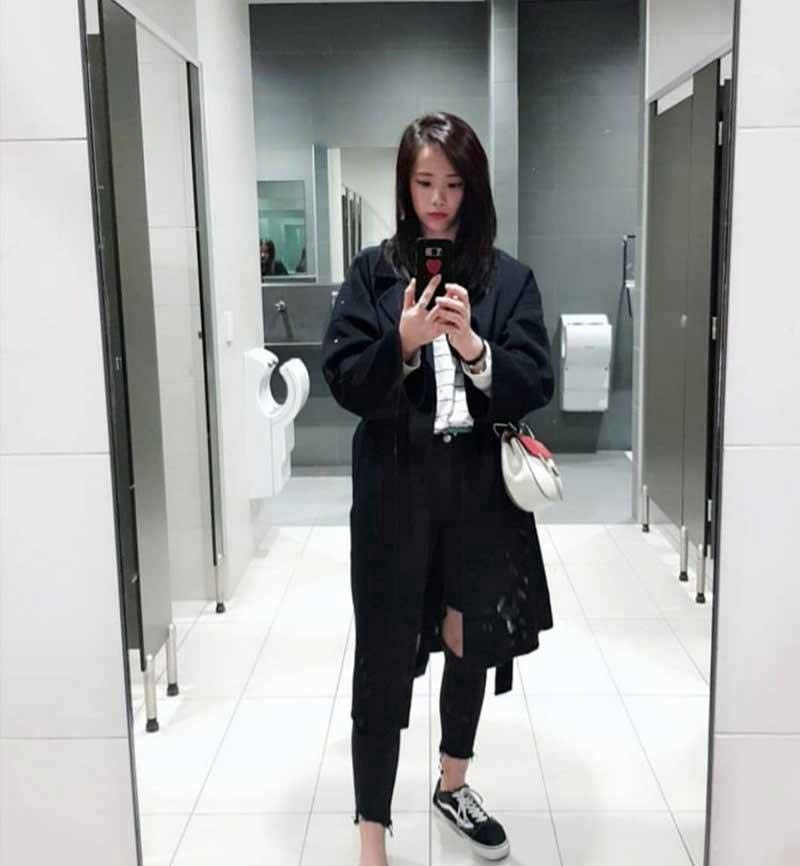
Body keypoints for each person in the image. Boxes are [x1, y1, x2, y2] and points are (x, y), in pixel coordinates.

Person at [321, 112, 555, 866]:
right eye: (424, 183)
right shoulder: (372, 274)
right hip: (394, 495)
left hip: (477, 497)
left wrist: (475, 349)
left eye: (453, 184)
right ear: (404, 185)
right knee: (383, 656)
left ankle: (453, 783)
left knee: (469, 639)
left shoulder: (508, 279)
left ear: (473, 188)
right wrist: (403, 344)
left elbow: (536, 380)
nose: (438, 201)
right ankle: (372, 834)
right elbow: (344, 379)